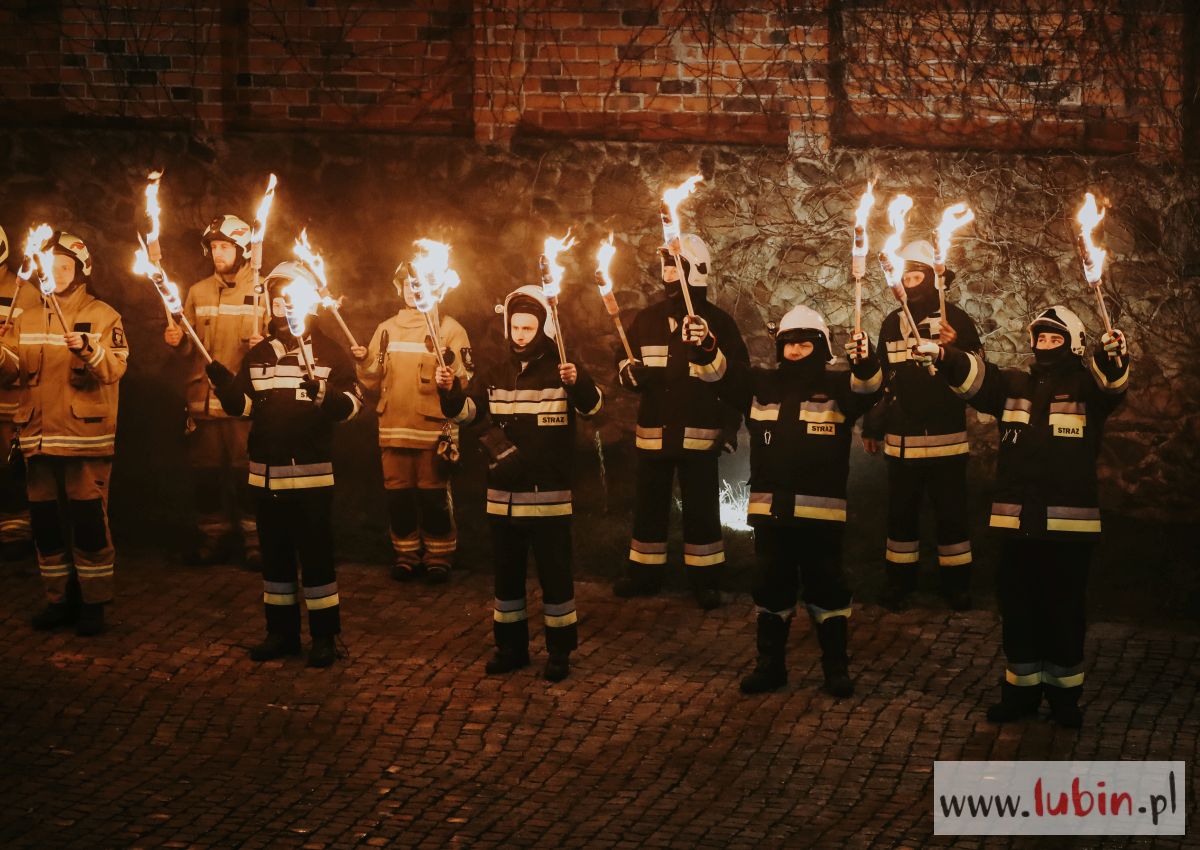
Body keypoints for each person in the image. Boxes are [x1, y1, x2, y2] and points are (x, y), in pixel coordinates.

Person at [911, 305, 1129, 727]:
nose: (1045, 345)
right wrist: (942, 356)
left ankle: (1065, 700)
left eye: (1055, 339)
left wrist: (1114, 355)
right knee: (1019, 611)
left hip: (1070, 530)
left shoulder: (1088, 388)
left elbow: (1112, 383)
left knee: (1064, 613)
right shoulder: (1014, 384)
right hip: (1016, 526)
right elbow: (977, 378)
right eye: (1041, 338)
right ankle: (1021, 695)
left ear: (1074, 344)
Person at [436, 285, 601, 681]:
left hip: (550, 497)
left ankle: (559, 652)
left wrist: (577, 382)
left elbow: (593, 406)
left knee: (555, 577)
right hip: (504, 497)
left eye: (529, 327)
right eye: (516, 327)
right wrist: (451, 394)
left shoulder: (563, 369)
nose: (521, 334)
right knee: (507, 579)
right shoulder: (495, 373)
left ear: (543, 328)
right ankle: (510, 647)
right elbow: (469, 415)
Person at [206, 261, 363, 668]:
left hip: (311, 477)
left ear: (309, 303)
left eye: (290, 300)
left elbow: (351, 407)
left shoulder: (329, 353)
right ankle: (281, 632)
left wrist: (324, 395)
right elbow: (245, 407)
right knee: (275, 559)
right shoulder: (259, 354)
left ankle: (325, 636)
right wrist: (225, 387)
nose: (282, 308)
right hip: (266, 476)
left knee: (315, 558)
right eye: (276, 301)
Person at [720, 306, 882, 696]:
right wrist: (704, 345)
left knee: (827, 589)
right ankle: (770, 666)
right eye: (789, 344)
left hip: (821, 517)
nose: (795, 351)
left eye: (805, 344)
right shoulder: (761, 385)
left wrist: (865, 360)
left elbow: (869, 388)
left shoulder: (839, 388)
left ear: (822, 346)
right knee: (770, 589)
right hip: (770, 512)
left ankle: (835, 669)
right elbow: (721, 377)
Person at [0, 231, 127, 635]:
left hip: (82, 440)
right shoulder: (29, 316)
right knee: (46, 524)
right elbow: (13, 372)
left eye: (64, 267)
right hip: (37, 436)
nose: (54, 274)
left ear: (80, 271)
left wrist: (91, 349)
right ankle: (58, 599)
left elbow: (115, 369)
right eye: (50, 267)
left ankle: (94, 605)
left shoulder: (104, 315)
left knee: (89, 524)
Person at [613, 232, 748, 608]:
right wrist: (630, 373)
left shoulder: (719, 324)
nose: (668, 274)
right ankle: (644, 574)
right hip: (654, 432)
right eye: (666, 266)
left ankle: (705, 580)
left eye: (677, 266)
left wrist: (728, 426)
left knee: (702, 511)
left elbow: (736, 379)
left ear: (696, 272)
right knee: (649, 507)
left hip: (698, 435)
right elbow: (623, 363)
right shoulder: (647, 319)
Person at [861, 239, 983, 610]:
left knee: (951, 517)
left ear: (932, 279)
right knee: (900, 517)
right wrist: (873, 425)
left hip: (947, 441)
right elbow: (882, 381)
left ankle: (957, 585)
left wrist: (955, 350)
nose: (911, 283)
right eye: (906, 276)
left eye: (917, 276)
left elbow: (979, 374)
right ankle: (899, 583)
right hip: (903, 441)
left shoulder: (956, 319)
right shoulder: (891, 323)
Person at [350, 267, 471, 584]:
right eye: (406, 284)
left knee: (433, 497)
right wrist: (364, 360)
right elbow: (373, 378)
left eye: (420, 284)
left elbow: (464, 377)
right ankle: (406, 555)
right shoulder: (386, 329)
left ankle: (439, 556)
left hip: (432, 432)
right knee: (398, 496)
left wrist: (451, 373)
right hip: (393, 428)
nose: (412, 290)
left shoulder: (449, 329)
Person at [165, 215, 265, 567]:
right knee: (205, 474)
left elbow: (285, 344)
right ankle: (213, 537)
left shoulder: (263, 290)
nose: (218, 254)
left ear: (242, 251)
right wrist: (178, 341)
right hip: (203, 402)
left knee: (246, 472)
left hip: (243, 403)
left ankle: (256, 541)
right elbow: (191, 348)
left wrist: (264, 343)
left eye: (225, 247)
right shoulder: (197, 291)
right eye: (213, 247)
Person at [0, 224, 40, 560]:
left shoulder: (24, 294)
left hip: (8, 402)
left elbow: (26, 355)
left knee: (10, 470)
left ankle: (15, 539)